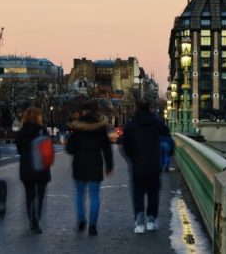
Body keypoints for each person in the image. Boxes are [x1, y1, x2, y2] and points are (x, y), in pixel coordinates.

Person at [122, 92, 171, 234]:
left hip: (137, 165)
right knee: (153, 192)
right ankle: (151, 219)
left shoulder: (131, 124)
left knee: (138, 192)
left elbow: (125, 145)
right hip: (153, 164)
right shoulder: (156, 122)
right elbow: (167, 132)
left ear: (137, 107)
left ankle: (139, 221)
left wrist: (132, 157)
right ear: (149, 106)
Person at [66, 98, 113, 236]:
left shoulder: (77, 128)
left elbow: (70, 149)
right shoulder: (100, 127)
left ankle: (81, 221)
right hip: (95, 164)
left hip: (79, 165)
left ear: (84, 111)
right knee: (94, 196)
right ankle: (93, 226)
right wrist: (109, 165)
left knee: (80, 195)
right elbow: (106, 148)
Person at [15, 106, 52, 234]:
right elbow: (48, 148)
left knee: (29, 195)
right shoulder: (42, 131)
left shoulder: (21, 132)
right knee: (40, 196)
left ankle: (32, 220)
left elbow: (19, 150)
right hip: (41, 167)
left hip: (26, 168)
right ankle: (36, 218)